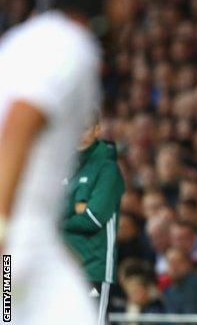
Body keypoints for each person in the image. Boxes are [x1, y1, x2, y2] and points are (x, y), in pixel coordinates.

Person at [0, 0, 130, 324]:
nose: (127, 6)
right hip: (17, 238)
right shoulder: (71, 46)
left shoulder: (30, 38)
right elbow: (19, 123)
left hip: (33, 244)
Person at [63, 121, 125, 325]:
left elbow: (93, 219)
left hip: (93, 268)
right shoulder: (64, 166)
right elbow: (46, 209)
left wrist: (59, 219)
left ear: (97, 129)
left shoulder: (108, 169)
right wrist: (75, 208)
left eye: (86, 127)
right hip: (64, 267)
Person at [162, 247, 197, 314]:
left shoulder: (196, 286)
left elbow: (191, 319)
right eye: (171, 262)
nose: (174, 267)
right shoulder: (169, 289)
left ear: (187, 264)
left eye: (178, 262)